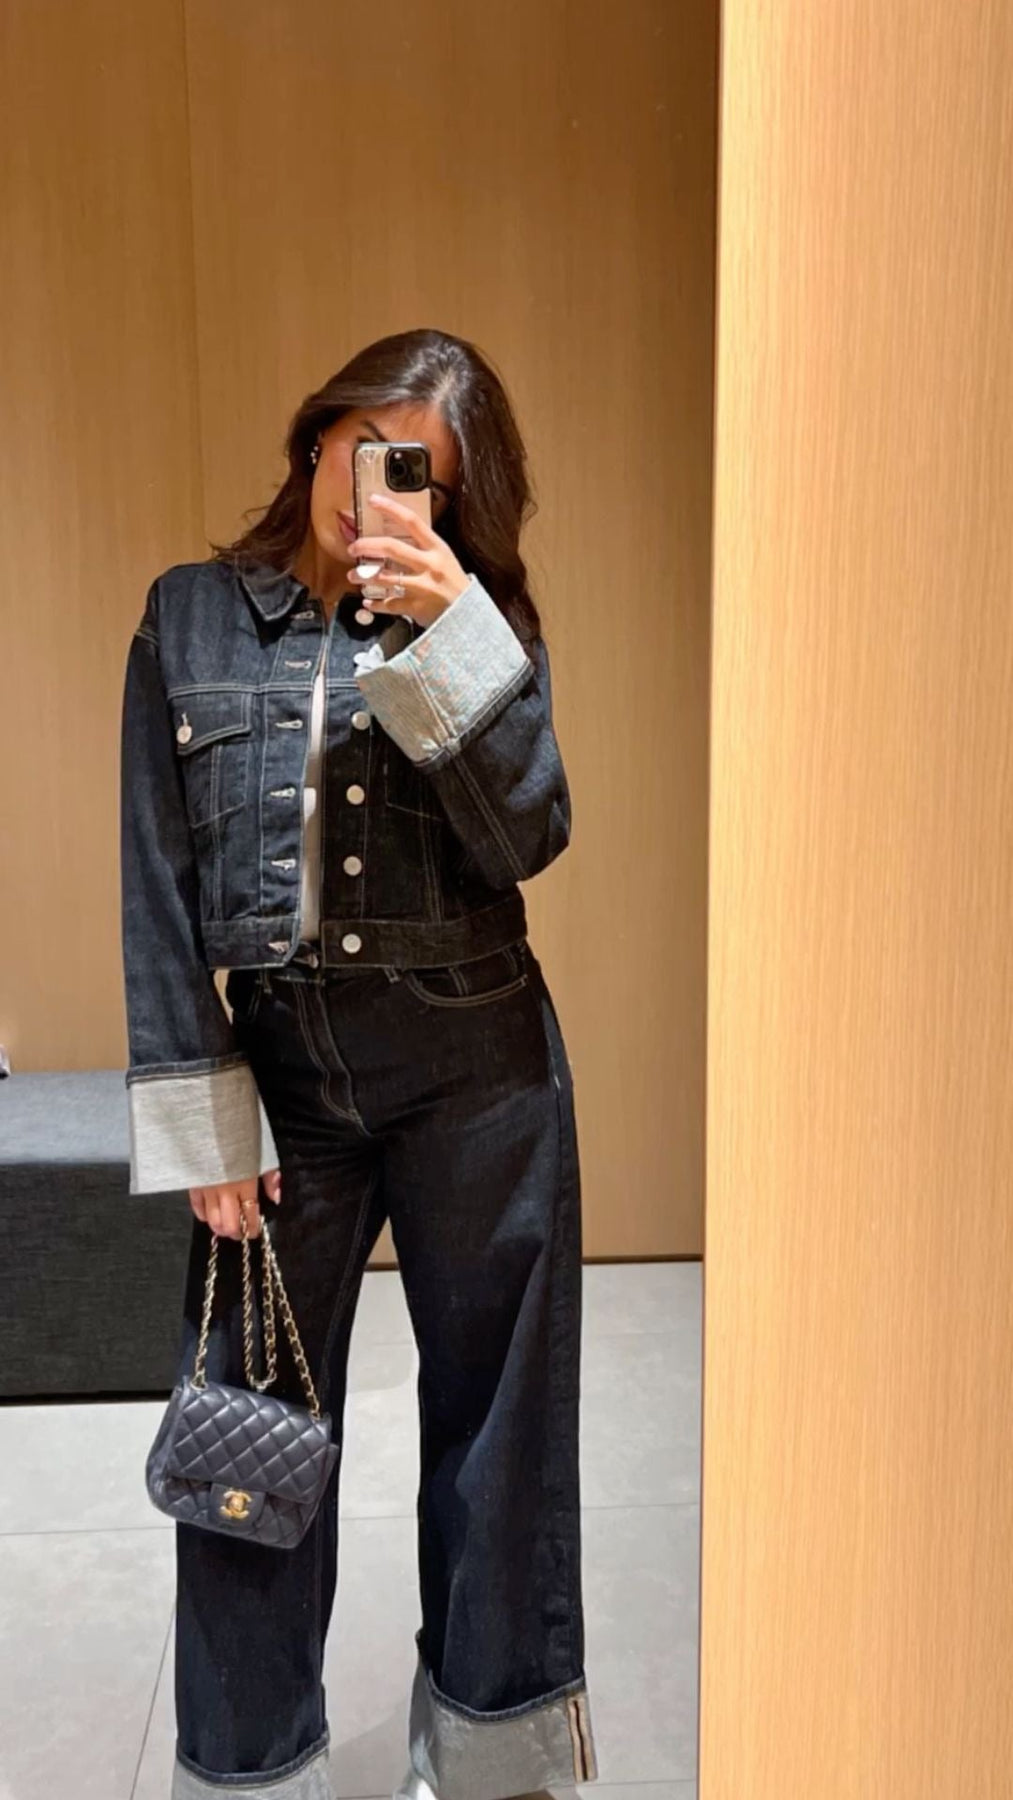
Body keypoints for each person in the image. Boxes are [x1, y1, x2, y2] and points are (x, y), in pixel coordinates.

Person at [119, 327, 599, 1800]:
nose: (374, 491)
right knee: (250, 1437)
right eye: (366, 447)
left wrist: (454, 645)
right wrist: (202, 1124)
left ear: (451, 502)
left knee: (499, 1434)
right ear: (318, 435)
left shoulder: (474, 621)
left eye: (420, 477)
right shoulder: (191, 618)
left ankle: (493, 1762)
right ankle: (248, 1769)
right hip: (283, 1092)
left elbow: (527, 839)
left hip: (480, 1070)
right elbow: (155, 881)